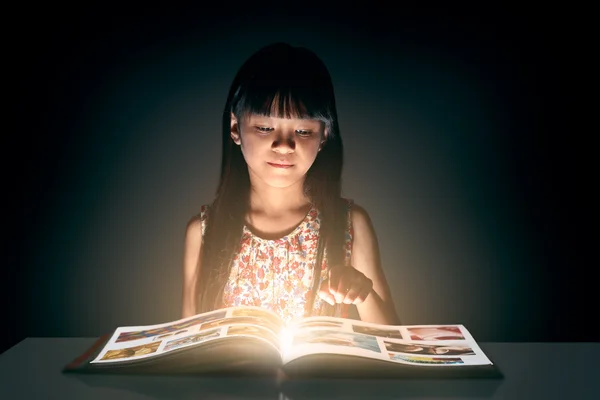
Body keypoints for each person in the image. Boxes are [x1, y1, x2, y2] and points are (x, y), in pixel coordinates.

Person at [181, 42, 400, 326]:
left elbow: (394, 338)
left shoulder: (349, 224)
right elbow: (185, 338)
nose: (284, 145)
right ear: (235, 127)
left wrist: (361, 290)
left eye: (302, 131)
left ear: (323, 136)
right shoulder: (203, 232)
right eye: (264, 127)